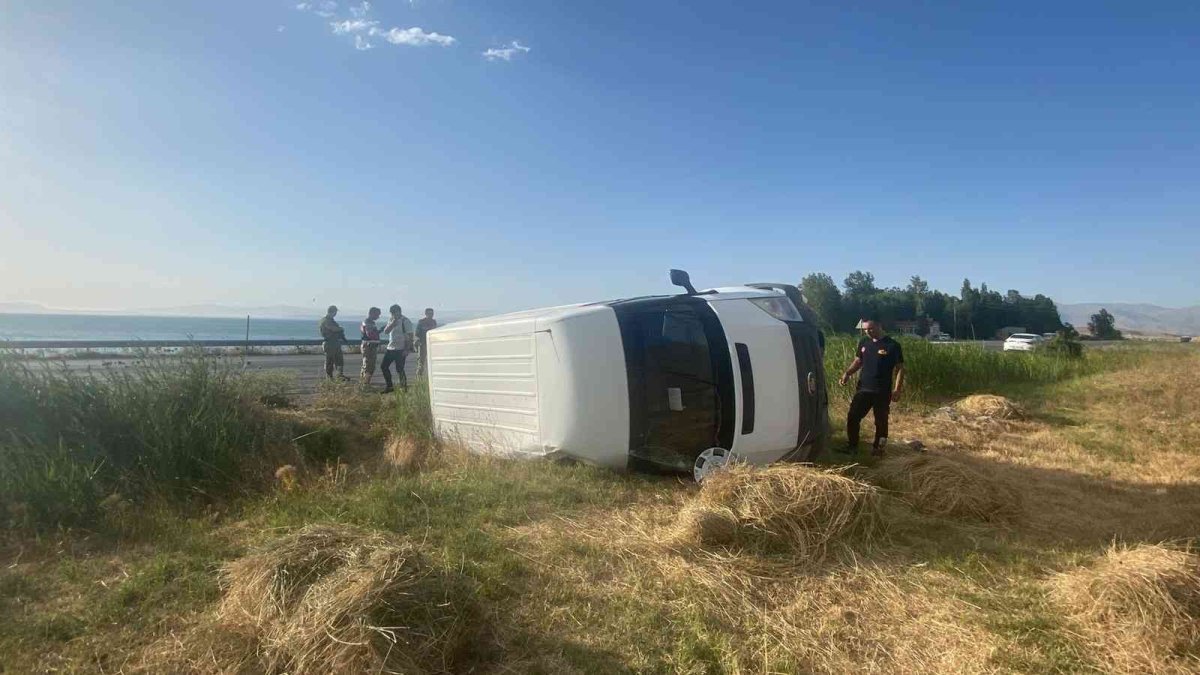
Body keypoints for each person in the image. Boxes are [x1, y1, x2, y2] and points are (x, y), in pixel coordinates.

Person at [837, 318, 905, 456]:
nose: (868, 332)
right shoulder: (864, 342)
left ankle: (878, 449)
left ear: (880, 326)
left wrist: (897, 389)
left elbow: (900, 369)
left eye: (871, 329)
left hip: (882, 391)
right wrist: (847, 373)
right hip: (863, 388)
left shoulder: (892, 345)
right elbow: (858, 361)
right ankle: (852, 446)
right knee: (853, 416)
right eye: (865, 329)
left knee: (881, 421)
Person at [381, 304, 414, 393]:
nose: (393, 315)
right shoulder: (391, 320)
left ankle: (403, 388)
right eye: (392, 313)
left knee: (399, 369)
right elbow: (386, 331)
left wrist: (407, 349)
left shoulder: (405, 321)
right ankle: (389, 386)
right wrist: (392, 324)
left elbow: (410, 336)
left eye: (395, 312)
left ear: (399, 312)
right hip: (391, 348)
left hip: (401, 349)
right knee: (384, 367)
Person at [318, 305, 346, 379]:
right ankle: (329, 377)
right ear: (332, 312)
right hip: (329, 342)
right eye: (335, 312)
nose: (336, 313)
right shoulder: (325, 320)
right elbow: (332, 329)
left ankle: (339, 376)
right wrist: (340, 329)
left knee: (339, 360)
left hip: (335, 342)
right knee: (329, 361)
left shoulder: (332, 320)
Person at [360, 307, 383, 385]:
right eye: (377, 315)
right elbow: (370, 334)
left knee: (371, 366)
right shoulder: (367, 322)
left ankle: (366, 382)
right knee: (368, 365)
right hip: (369, 346)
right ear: (372, 313)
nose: (378, 317)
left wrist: (380, 330)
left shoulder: (371, 323)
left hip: (371, 346)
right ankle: (365, 383)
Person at [415, 307, 438, 376]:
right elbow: (416, 334)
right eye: (429, 313)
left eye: (432, 313)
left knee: (432, 361)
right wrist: (418, 342)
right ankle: (419, 378)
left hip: (431, 344)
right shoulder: (421, 322)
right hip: (423, 344)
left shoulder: (434, 322)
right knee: (421, 362)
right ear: (426, 314)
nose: (431, 315)